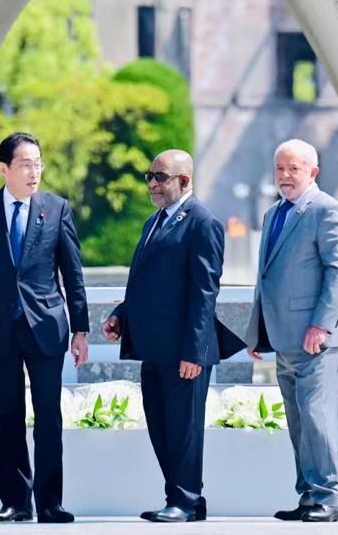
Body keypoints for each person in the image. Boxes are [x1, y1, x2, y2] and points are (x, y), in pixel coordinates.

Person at [0, 132, 89, 525]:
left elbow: (73, 275)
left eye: (38, 164)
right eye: (25, 165)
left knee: (48, 415)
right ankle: (15, 501)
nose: (34, 172)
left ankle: (50, 502)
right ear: (4, 169)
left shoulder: (57, 209)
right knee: (7, 415)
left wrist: (80, 330)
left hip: (45, 327)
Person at [102, 149, 243, 523]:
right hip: (153, 346)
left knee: (184, 430)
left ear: (184, 180)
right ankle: (182, 499)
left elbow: (204, 292)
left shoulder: (203, 223)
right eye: (149, 176)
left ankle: (185, 499)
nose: (152, 183)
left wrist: (195, 352)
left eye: (160, 177)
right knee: (161, 427)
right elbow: (146, 283)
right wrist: (120, 316)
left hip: (185, 350)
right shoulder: (154, 222)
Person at [245, 139, 338, 524]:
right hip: (283, 338)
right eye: (280, 169)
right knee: (297, 421)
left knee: (316, 416)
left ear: (313, 172)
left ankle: (328, 498)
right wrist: (257, 332)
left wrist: (320, 325)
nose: (285, 176)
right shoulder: (273, 213)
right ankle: (309, 496)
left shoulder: (327, 210)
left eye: (294, 169)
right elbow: (265, 278)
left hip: (317, 338)